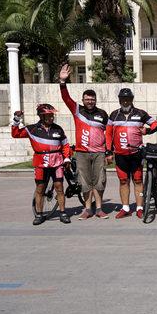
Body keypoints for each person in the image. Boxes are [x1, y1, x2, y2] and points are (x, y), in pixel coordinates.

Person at [58, 64, 110, 220]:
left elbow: (108, 134)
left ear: (95, 100)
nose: (90, 101)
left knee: (100, 182)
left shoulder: (103, 114)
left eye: (92, 99)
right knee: (85, 183)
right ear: (83, 100)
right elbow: (65, 98)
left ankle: (99, 209)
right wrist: (62, 81)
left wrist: (108, 152)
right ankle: (87, 209)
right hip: (81, 153)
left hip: (99, 153)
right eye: (87, 99)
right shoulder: (77, 110)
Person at [11, 105, 72, 225]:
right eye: (48, 115)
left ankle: (63, 213)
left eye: (52, 115)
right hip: (40, 163)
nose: (51, 117)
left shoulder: (58, 129)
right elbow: (15, 134)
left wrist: (67, 158)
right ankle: (39, 214)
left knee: (59, 187)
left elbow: (65, 145)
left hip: (57, 163)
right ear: (41, 116)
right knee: (40, 189)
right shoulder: (32, 129)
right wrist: (16, 119)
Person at [106, 88, 157, 219]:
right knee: (123, 181)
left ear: (132, 100)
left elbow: (156, 125)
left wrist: (147, 131)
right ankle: (125, 208)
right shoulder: (113, 115)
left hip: (136, 154)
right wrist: (108, 151)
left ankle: (140, 208)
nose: (125, 101)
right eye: (123, 99)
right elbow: (108, 134)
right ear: (119, 100)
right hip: (120, 154)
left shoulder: (140, 113)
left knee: (137, 181)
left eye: (128, 99)